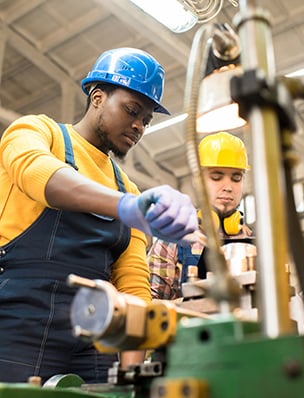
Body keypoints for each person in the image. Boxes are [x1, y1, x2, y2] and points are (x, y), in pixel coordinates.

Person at [0, 47, 198, 383]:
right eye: (132, 110)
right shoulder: (37, 132)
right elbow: (38, 174)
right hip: (18, 322)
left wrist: (133, 370)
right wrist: (124, 207)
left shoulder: (130, 188)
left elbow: (133, 286)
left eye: (146, 120)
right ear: (96, 97)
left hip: (96, 336)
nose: (138, 126)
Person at [148, 131, 253, 300]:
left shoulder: (253, 242)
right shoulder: (171, 240)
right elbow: (151, 306)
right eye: (216, 177)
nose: (228, 187)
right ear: (198, 182)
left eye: (236, 178)